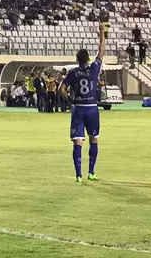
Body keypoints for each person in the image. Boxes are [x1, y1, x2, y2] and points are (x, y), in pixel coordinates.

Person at [59, 23, 106, 183]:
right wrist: (101, 32)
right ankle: (91, 172)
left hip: (78, 109)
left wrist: (71, 101)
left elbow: (61, 89)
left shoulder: (72, 73)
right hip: (92, 108)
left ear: (77, 60)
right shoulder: (94, 69)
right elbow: (101, 52)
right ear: (87, 59)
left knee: (77, 142)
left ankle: (78, 175)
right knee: (94, 139)